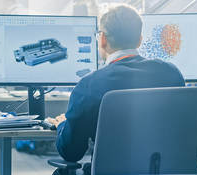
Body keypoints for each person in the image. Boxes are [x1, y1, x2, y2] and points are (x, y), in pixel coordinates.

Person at [47, 3, 186, 171]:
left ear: (103, 39)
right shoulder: (172, 75)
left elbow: (71, 152)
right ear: (139, 40)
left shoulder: (89, 86)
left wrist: (63, 124)